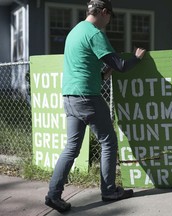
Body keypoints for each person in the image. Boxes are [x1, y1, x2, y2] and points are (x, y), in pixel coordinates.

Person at [45, 0, 146, 213]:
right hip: (87, 98)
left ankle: (53, 195)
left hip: (70, 96)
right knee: (108, 141)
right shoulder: (94, 33)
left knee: (71, 148)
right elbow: (121, 65)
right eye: (109, 17)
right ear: (103, 12)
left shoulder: (75, 31)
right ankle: (109, 190)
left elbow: (84, 67)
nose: (108, 22)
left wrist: (103, 73)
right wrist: (136, 58)